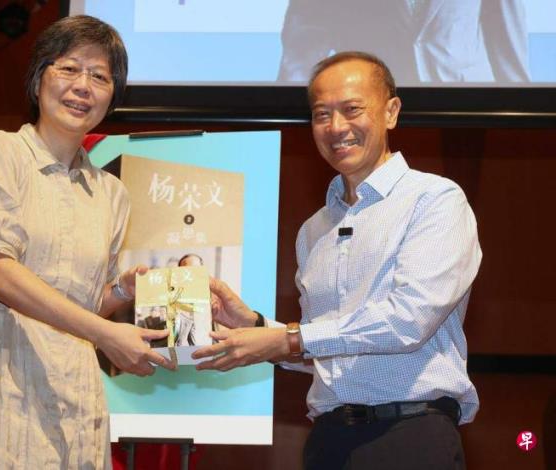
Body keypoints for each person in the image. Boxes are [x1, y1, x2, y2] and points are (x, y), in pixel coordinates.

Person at [195, 51, 481, 469]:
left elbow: (408, 320)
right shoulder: (315, 229)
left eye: (352, 110)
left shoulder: (434, 200)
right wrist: (255, 326)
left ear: (391, 112)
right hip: (329, 442)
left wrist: (289, 339)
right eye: (321, 115)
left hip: (409, 437)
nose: (336, 127)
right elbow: (328, 351)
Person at [0, 15, 174, 469]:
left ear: (113, 96)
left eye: (100, 77)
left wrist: (121, 290)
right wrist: (106, 335)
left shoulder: (112, 194)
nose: (83, 87)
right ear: (39, 78)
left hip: (70, 393)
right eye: (69, 68)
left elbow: (81, 303)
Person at [277, 0, 530, 84]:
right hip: (373, 108)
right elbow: (304, 41)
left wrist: (521, 110)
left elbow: (507, 37)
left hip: (464, 108)